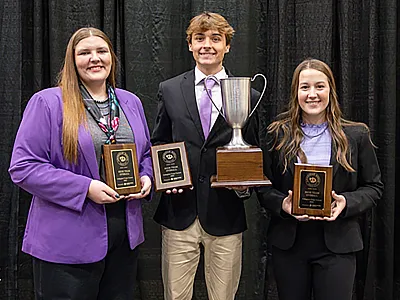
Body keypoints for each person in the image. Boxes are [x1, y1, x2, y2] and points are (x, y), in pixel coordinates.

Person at [8, 27, 153, 300]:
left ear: (112, 57)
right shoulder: (48, 102)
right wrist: (86, 188)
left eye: (101, 51)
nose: (94, 58)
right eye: (85, 52)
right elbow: (23, 167)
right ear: (72, 60)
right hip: (67, 240)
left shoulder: (130, 102)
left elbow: (145, 155)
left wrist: (146, 178)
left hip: (124, 238)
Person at [151, 12, 260, 300]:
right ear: (189, 44)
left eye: (215, 38)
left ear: (228, 46)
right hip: (178, 212)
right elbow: (159, 142)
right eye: (199, 38)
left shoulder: (248, 92)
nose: (207, 45)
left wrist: (245, 185)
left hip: (225, 214)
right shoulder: (170, 90)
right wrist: (164, 177)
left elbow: (255, 150)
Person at [256, 58, 384, 300]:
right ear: (295, 92)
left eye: (319, 86)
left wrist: (346, 202)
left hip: (338, 244)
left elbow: (374, 187)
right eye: (305, 87)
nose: (312, 94)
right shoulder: (278, 134)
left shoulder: (356, 135)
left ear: (330, 91)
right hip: (290, 245)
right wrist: (282, 204)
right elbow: (263, 186)